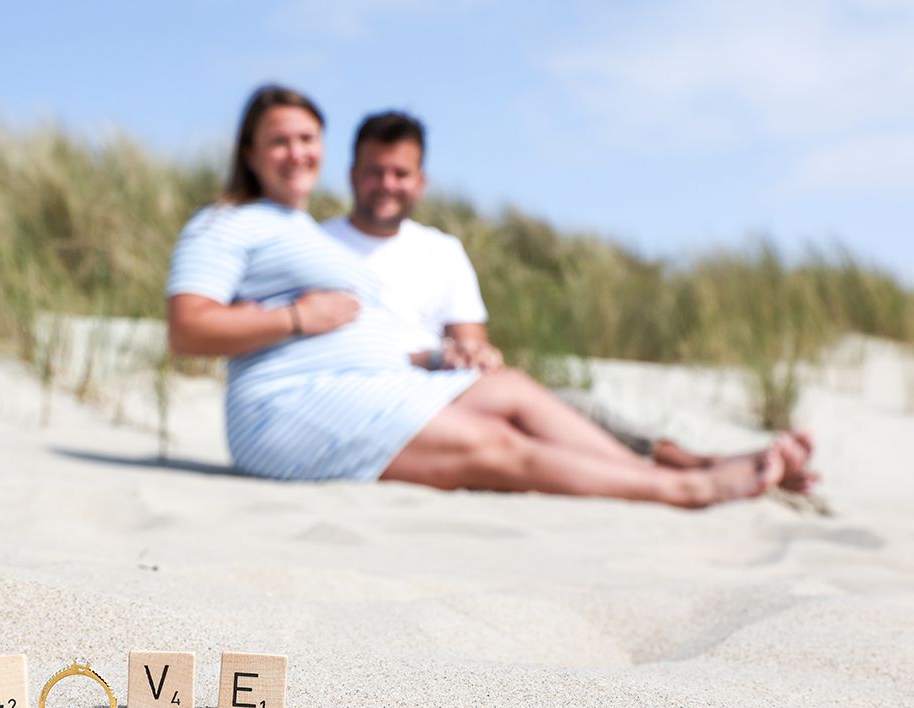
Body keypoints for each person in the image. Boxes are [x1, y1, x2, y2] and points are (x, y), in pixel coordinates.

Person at [167, 84, 785, 507]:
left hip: (376, 384)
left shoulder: (297, 229)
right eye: (279, 140)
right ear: (249, 152)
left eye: (307, 138)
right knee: (498, 447)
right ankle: (683, 490)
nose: (296, 152)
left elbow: (395, 337)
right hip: (290, 410)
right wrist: (298, 316)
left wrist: (438, 357)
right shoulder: (226, 222)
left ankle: (658, 473)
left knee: (514, 389)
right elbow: (186, 329)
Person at [321, 111, 816, 492]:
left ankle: (704, 462)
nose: (387, 185)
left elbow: (473, 343)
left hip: (450, 388)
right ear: (352, 174)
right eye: (375, 172)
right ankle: (691, 479)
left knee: (574, 407)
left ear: (420, 181)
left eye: (400, 174)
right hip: (376, 397)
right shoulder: (315, 246)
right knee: (528, 424)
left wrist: (469, 354)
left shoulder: (441, 250)